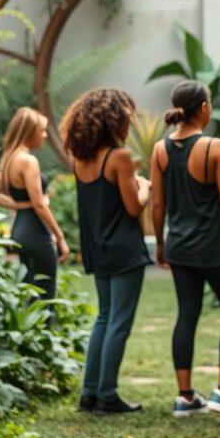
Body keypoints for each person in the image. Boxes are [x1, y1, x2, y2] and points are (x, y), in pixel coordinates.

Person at [151, 80, 220, 420]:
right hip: (213, 249)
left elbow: (157, 204)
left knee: (187, 315)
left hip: (180, 248)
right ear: (205, 108)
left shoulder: (160, 150)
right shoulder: (214, 147)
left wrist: (162, 245)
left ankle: (185, 396)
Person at [61, 88, 152, 415]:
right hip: (125, 250)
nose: (130, 123)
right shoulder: (120, 157)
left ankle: (90, 392)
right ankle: (108, 395)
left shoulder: (80, 158)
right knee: (119, 322)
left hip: (98, 248)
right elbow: (132, 207)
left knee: (104, 318)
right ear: (113, 119)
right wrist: (145, 187)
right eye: (127, 117)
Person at [0, 107, 69, 310]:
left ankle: (30, 339)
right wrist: (60, 236)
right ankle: (45, 337)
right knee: (46, 296)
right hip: (37, 233)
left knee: (30, 291)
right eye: (42, 130)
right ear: (29, 131)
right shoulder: (28, 160)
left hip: (20, 231)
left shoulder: (11, 159)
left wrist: (18, 205)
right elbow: (39, 204)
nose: (45, 135)